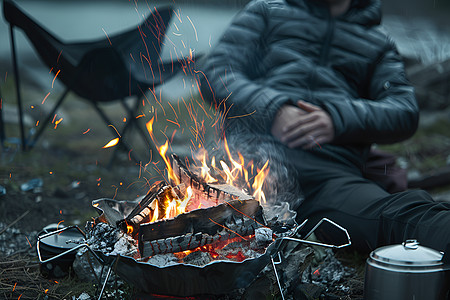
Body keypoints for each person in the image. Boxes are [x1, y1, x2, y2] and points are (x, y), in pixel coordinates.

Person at [200, 0, 450, 252]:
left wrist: (337, 119)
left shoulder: (378, 42)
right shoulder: (266, 11)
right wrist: (274, 109)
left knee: (404, 218)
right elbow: (217, 72)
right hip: (249, 162)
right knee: (191, 220)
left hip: (329, 179)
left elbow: (404, 110)